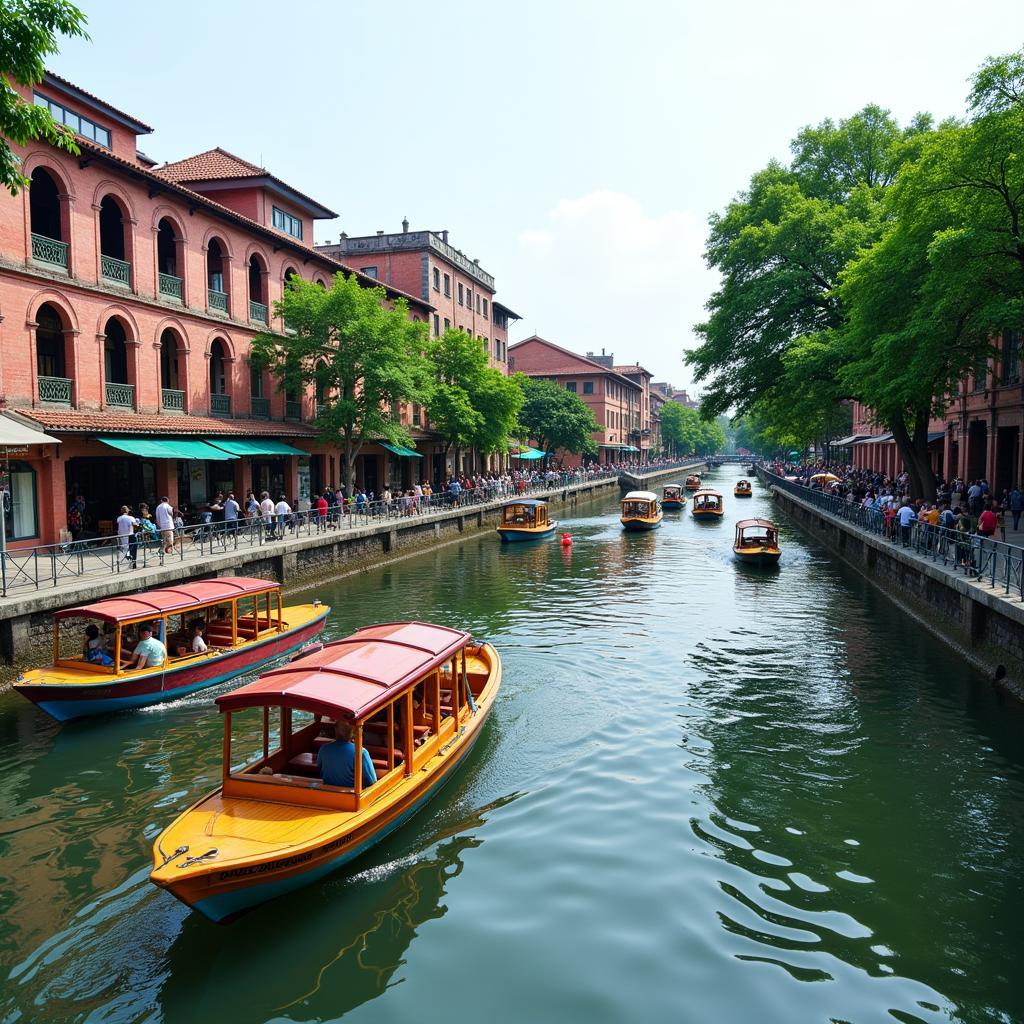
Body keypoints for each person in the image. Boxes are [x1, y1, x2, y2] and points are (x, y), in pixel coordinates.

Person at [316, 719, 377, 789]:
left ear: (336, 730)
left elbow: (320, 768)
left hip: (329, 792)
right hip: (351, 796)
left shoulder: (324, 749)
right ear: (353, 732)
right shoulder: (361, 752)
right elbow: (372, 781)